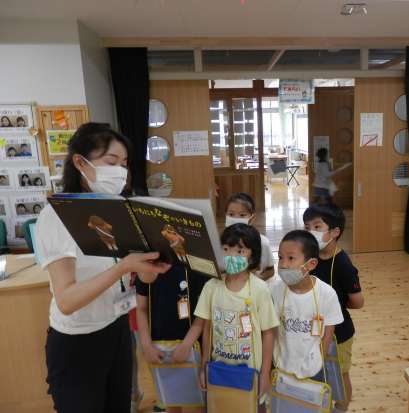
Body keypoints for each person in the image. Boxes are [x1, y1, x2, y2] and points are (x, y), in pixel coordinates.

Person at [35, 122, 171, 413]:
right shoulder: (56, 216)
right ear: (80, 162)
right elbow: (66, 300)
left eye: (124, 163)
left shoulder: (117, 208)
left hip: (117, 327)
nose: (120, 171)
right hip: (77, 341)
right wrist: (123, 267)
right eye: (111, 162)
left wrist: (153, 265)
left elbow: (141, 277)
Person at [194, 223, 279, 407]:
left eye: (240, 251)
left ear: (252, 256)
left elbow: (268, 333)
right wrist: (204, 366)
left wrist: (265, 373)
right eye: (226, 249)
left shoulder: (260, 289)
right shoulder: (211, 286)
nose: (231, 256)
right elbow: (207, 329)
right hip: (219, 370)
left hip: (250, 373)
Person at [303, 203, 364, 412]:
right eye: (307, 227)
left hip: (340, 333)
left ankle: (341, 408)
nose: (310, 232)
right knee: (317, 371)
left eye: (317, 227)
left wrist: (335, 304)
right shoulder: (309, 257)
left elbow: (358, 302)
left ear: (335, 232)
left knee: (339, 374)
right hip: (313, 329)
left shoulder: (343, 264)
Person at [271, 230, 343, 382]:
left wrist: (320, 358)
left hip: (313, 368)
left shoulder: (327, 294)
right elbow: (270, 328)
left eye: (291, 258)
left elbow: (328, 332)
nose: (283, 264)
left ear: (311, 264)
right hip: (281, 366)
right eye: (280, 257)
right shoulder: (275, 290)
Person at [136, 261, 208, 413]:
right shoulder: (147, 267)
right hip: (159, 350)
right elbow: (141, 308)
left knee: (198, 403)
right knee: (171, 401)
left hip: (191, 347)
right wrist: (146, 345)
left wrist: (187, 344)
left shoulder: (191, 266)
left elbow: (203, 313)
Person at [225, 193, 275, 285]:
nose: (236, 218)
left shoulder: (263, 242)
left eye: (242, 215)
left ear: (252, 218)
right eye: (231, 214)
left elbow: (271, 270)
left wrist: (257, 280)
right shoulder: (222, 243)